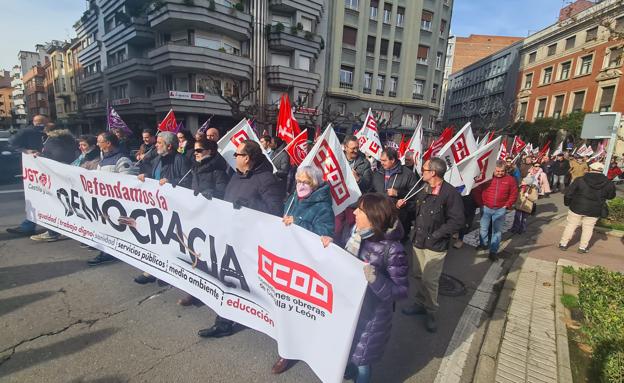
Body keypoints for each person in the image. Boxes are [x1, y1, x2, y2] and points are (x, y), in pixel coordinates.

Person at [197, 140, 285, 338]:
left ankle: (264, 321)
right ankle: (223, 322)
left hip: (251, 243)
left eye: (238, 154)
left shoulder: (266, 180)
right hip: (231, 237)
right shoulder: (236, 176)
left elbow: (275, 212)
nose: (234, 157)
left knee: (247, 285)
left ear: (247, 158)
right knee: (226, 279)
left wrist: (250, 204)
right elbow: (228, 200)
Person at [272, 165, 335, 375]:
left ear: (315, 184)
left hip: (304, 266)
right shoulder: (291, 199)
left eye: (306, 182)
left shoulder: (323, 206)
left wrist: (298, 222)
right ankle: (286, 346)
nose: (301, 185)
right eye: (299, 180)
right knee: (283, 306)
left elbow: (324, 235)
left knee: (296, 309)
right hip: (286, 258)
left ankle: (289, 353)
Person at [343, 193, 409, 383]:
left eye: (360, 210)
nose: (354, 211)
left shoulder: (393, 249)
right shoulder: (356, 233)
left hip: (371, 317)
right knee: (347, 348)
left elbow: (401, 291)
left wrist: (376, 279)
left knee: (362, 360)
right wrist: (330, 245)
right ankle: (349, 368)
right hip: (350, 306)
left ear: (373, 216)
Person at [402, 158, 464, 332]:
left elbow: (457, 220)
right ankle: (421, 304)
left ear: (433, 173)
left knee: (430, 280)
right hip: (419, 241)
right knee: (418, 275)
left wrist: (437, 234)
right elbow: (417, 210)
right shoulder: (424, 188)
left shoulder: (450, 193)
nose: (421, 171)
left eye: (424, 169)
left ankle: (431, 311)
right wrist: (405, 205)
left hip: (435, 245)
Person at [176, 137, 230, 307]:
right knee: (193, 253)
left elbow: (223, 192)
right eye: (195, 150)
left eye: (199, 150)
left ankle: (210, 290)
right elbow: (186, 186)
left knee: (208, 256)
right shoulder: (195, 168)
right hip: (195, 216)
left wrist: (211, 192)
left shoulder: (218, 170)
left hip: (211, 218)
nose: (196, 153)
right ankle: (193, 291)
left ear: (210, 151)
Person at [134, 131, 191, 284]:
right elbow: (154, 176)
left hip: (172, 209)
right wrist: (144, 177)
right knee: (155, 240)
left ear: (169, 146)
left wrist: (171, 181)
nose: (156, 145)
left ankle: (168, 272)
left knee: (169, 242)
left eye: (159, 143)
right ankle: (152, 270)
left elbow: (188, 182)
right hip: (156, 206)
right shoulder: (157, 159)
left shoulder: (180, 160)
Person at [87, 132, 138, 266]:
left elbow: (128, 183)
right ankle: (107, 251)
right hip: (104, 202)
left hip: (116, 204)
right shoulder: (103, 160)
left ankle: (111, 253)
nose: (97, 144)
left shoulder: (122, 160)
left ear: (108, 143)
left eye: (100, 141)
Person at [29, 126, 77, 242]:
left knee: (54, 204)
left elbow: (57, 155)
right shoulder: (69, 139)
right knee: (67, 204)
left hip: (55, 177)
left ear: (47, 131)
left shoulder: (52, 140)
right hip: (69, 175)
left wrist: (42, 157)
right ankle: (67, 229)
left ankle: (53, 232)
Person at [6, 115, 49, 236]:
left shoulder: (49, 131)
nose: (44, 123)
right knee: (36, 196)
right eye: (41, 121)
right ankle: (29, 225)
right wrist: (26, 151)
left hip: (48, 168)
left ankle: (31, 225)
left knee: (45, 197)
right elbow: (12, 143)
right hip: (35, 169)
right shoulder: (27, 131)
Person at [559, 162, 616, 253]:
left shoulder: (580, 180)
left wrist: (567, 203)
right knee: (588, 228)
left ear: (590, 169)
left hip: (577, 207)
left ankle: (563, 244)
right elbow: (611, 196)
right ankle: (582, 247)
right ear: (601, 171)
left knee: (571, 225)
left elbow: (569, 193)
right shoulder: (608, 183)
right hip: (595, 209)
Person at [473, 160, 518, 261]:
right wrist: (481, 203)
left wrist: (506, 205)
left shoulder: (510, 180)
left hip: (500, 210)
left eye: (502, 171)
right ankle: (483, 244)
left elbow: (514, 194)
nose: (500, 173)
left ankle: (493, 251)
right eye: (497, 171)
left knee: (497, 232)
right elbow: (476, 190)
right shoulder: (486, 178)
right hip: (486, 208)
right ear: (493, 170)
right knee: (483, 229)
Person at [335, 135, 373, 245]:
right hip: (338, 201)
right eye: (353, 148)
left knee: (350, 232)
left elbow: (368, 184)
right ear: (345, 147)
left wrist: (358, 179)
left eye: (357, 147)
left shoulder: (364, 163)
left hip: (353, 203)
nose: (355, 151)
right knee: (336, 229)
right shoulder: (337, 158)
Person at [372, 148, 418, 238]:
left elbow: (415, 194)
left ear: (392, 160)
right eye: (381, 160)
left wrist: (398, 193)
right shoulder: (378, 172)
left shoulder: (408, 174)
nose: (381, 163)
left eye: (384, 160)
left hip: (398, 218)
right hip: (379, 216)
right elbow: (371, 190)